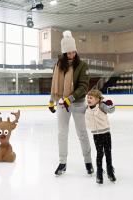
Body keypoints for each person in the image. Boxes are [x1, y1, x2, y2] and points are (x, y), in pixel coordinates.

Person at [48, 30, 94, 176]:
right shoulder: (58, 65)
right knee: (62, 133)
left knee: (82, 133)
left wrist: (70, 99)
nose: (71, 55)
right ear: (63, 53)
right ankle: (62, 162)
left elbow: (83, 87)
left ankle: (88, 162)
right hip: (62, 103)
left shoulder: (82, 66)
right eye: (68, 53)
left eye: (73, 52)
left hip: (78, 103)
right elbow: (54, 84)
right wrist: (51, 101)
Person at [85, 89, 116, 184]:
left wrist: (111, 105)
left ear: (98, 99)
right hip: (96, 134)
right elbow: (77, 109)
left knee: (108, 152)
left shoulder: (102, 106)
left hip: (106, 133)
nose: (88, 99)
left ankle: (110, 170)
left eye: (91, 98)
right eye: (88, 98)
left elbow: (111, 110)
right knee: (99, 153)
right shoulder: (86, 108)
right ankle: (99, 172)